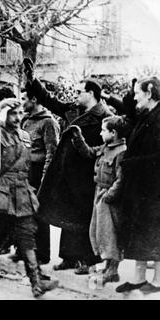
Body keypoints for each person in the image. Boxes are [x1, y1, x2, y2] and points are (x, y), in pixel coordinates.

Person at [24, 59, 112, 275]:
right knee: (68, 214)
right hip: (68, 171)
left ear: (91, 93)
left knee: (84, 217)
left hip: (88, 172)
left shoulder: (105, 116)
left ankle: (87, 260)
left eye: (80, 91)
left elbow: (110, 142)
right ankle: (68, 257)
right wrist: (32, 80)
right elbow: (49, 101)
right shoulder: (74, 110)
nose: (76, 95)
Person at [0, 98, 58, 297]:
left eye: (21, 113)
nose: (19, 117)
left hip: (21, 192)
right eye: (14, 113)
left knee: (27, 237)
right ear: (4, 114)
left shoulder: (24, 136)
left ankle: (36, 283)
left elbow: (27, 163)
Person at [109, 77, 160, 294]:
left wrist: (131, 164)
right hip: (143, 186)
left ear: (149, 93)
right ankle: (139, 279)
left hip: (154, 188)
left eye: (138, 92)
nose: (135, 96)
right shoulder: (146, 115)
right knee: (141, 234)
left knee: (155, 234)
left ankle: (157, 282)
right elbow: (129, 107)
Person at [69, 116, 131, 284]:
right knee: (100, 232)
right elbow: (89, 152)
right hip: (100, 191)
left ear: (114, 133)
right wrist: (78, 137)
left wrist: (110, 196)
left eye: (104, 130)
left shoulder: (122, 151)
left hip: (110, 197)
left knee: (111, 234)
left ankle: (113, 270)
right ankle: (107, 265)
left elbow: (121, 179)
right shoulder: (105, 147)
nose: (100, 133)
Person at [21, 88, 60, 265]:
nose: (21, 103)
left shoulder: (48, 122)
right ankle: (23, 249)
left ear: (34, 99)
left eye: (24, 99)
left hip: (38, 172)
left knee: (39, 212)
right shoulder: (25, 120)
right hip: (24, 170)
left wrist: (45, 178)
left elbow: (52, 152)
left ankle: (42, 253)